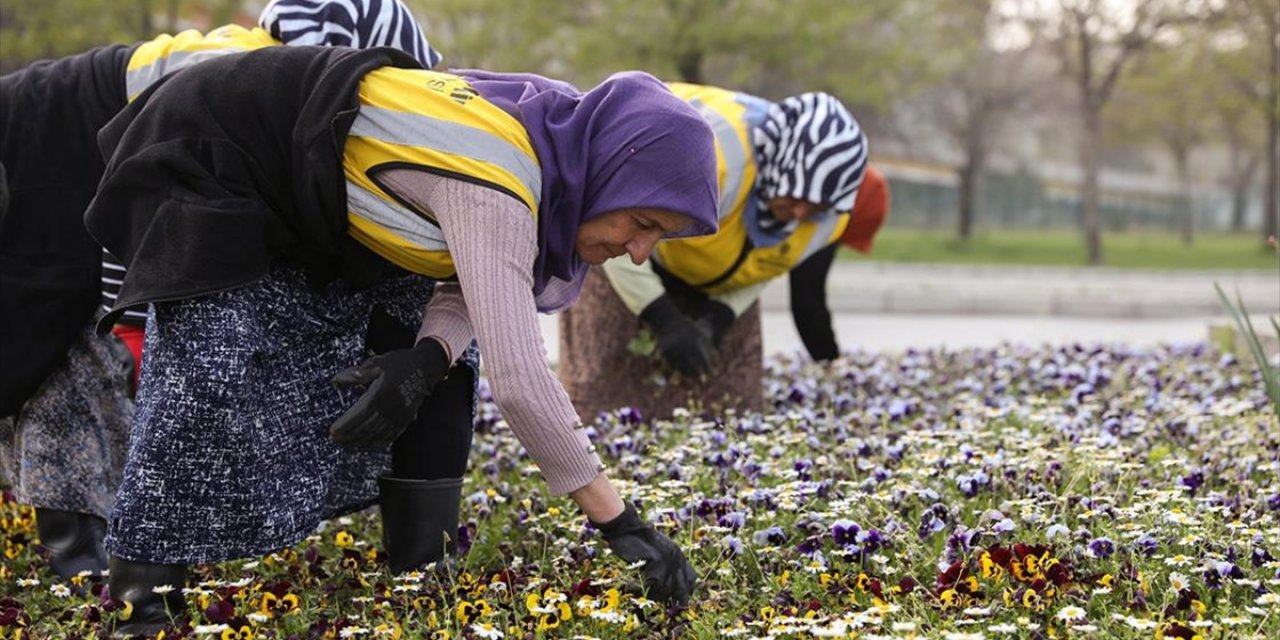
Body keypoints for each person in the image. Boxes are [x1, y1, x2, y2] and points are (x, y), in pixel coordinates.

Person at [84, 46, 718, 635]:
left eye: (657, 239)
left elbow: (469, 271)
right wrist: (620, 523)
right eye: (642, 223)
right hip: (213, 141)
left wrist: (426, 358)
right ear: (610, 173)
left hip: (308, 170)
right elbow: (521, 379)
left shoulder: (551, 135)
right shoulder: (501, 183)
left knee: (443, 354)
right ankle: (144, 601)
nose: (639, 253)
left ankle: (423, 565)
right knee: (211, 367)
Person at [0, 0, 443, 582]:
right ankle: (87, 566)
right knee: (53, 342)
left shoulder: (283, 78)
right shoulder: (257, 78)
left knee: (77, 339)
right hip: (61, 138)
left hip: (93, 134)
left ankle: (96, 563)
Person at [598, 83, 869, 375]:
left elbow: (769, 262)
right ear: (782, 166)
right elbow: (621, 227)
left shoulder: (828, 220)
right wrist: (663, 317)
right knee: (615, 382)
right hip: (621, 251)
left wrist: (720, 317)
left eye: (815, 206)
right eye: (797, 195)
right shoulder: (711, 161)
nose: (801, 213)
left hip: (712, 280)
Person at [787, 165, 890, 361]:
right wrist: (829, 357)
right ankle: (826, 356)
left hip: (837, 213)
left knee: (809, 290)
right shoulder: (820, 232)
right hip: (838, 214)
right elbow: (807, 302)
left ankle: (825, 356)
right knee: (809, 291)